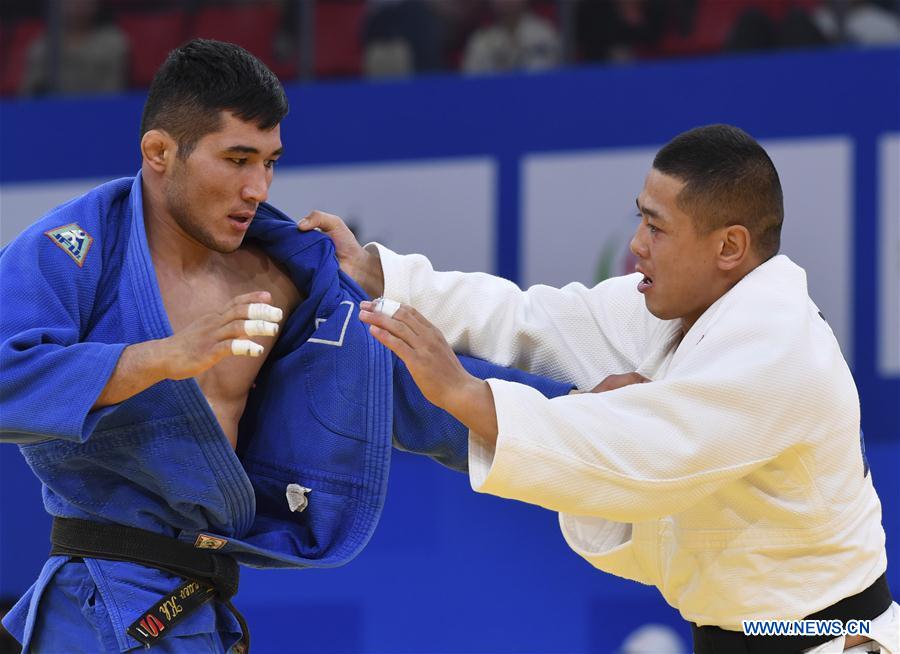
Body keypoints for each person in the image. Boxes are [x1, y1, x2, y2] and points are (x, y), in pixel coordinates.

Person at [0, 39, 572, 652]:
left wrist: (578, 416)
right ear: (159, 152)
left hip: (198, 603)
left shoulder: (283, 275)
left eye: (269, 162)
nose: (257, 187)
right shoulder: (76, 247)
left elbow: (414, 385)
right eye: (237, 159)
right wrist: (160, 357)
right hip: (96, 603)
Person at [300, 125, 898, 654]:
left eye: (657, 227)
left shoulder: (776, 348)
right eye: (640, 218)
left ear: (729, 247)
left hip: (828, 638)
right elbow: (529, 320)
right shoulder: (675, 307)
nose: (637, 244)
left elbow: (641, 455)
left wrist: (464, 394)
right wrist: (381, 275)